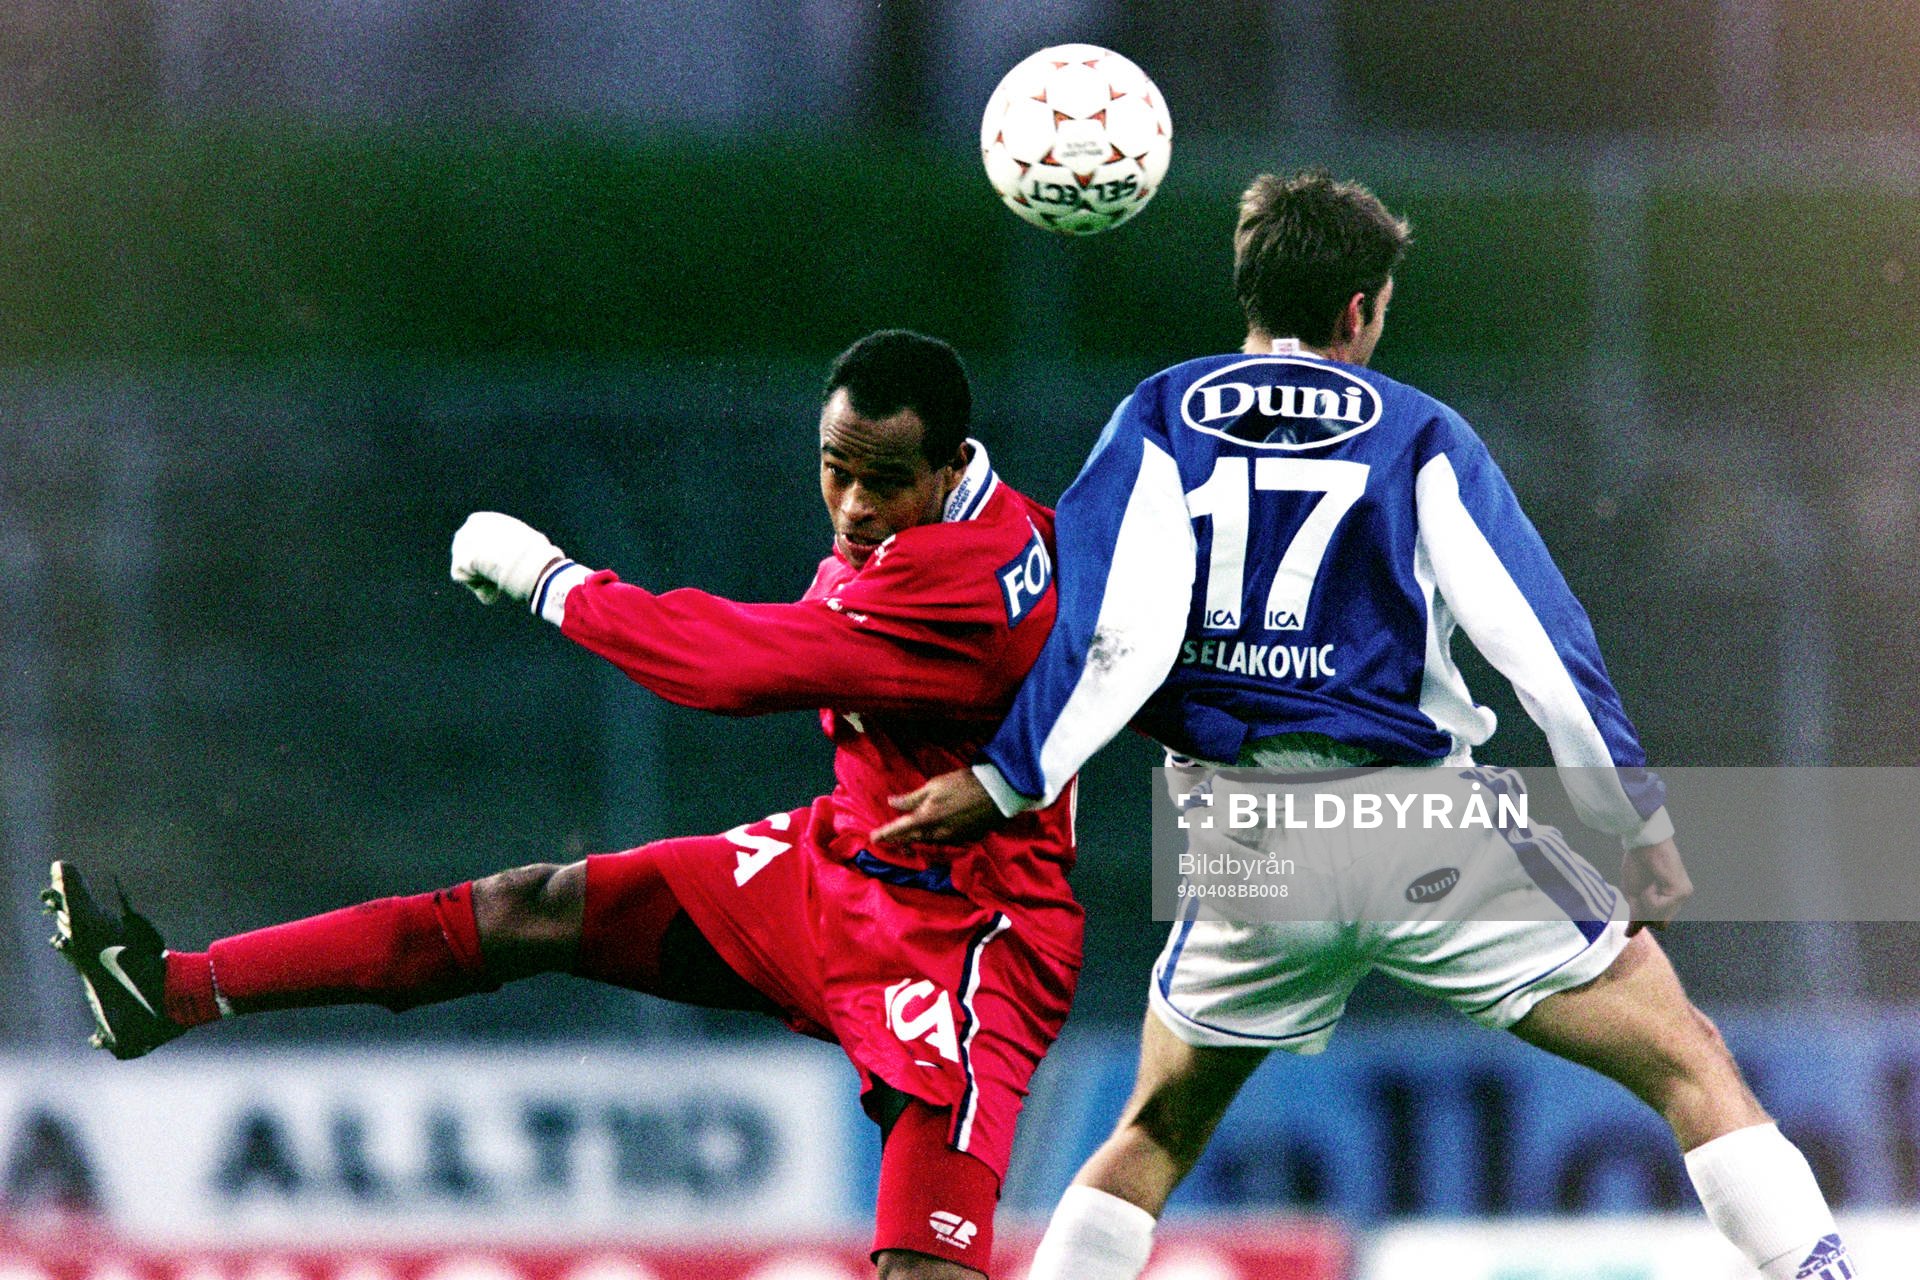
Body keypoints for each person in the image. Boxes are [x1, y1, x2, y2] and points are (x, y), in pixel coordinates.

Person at [874, 172, 1856, 1280]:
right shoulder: (1419, 430)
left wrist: (1008, 777)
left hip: (1247, 843)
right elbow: (1538, 641)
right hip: (1420, 823)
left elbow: (1114, 639)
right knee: (1691, 1063)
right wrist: (1633, 821)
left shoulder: (1158, 413)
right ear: (1361, 308)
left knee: (1153, 1131)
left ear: (1247, 287)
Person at [44, 330, 1083, 1280]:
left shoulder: (957, 577)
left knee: (924, 1271)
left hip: (972, 934)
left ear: (952, 468)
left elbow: (725, 667)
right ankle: (171, 988)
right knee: (528, 904)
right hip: (840, 868)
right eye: (835, 468)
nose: (854, 504)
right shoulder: (1001, 523)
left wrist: (555, 582)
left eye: (886, 482)